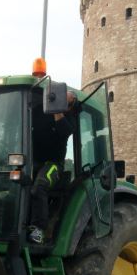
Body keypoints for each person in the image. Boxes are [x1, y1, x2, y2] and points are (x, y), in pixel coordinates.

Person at [28, 90, 78, 244]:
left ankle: (39, 230)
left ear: (70, 105)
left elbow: (64, 131)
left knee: (39, 187)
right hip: (32, 161)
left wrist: (56, 108)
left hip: (54, 164)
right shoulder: (38, 112)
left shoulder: (69, 118)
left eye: (66, 101)